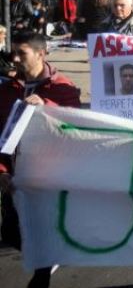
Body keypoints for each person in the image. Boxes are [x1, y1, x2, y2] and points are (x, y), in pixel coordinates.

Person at [0, 31, 82, 288]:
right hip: (15, 175)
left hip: (49, 174)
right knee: (12, 231)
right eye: (13, 52)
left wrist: (46, 106)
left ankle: (43, 270)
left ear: (41, 54)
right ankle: (46, 257)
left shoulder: (63, 86)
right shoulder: (8, 90)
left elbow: (76, 124)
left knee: (44, 225)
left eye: (21, 53)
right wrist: (2, 171)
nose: (14, 59)